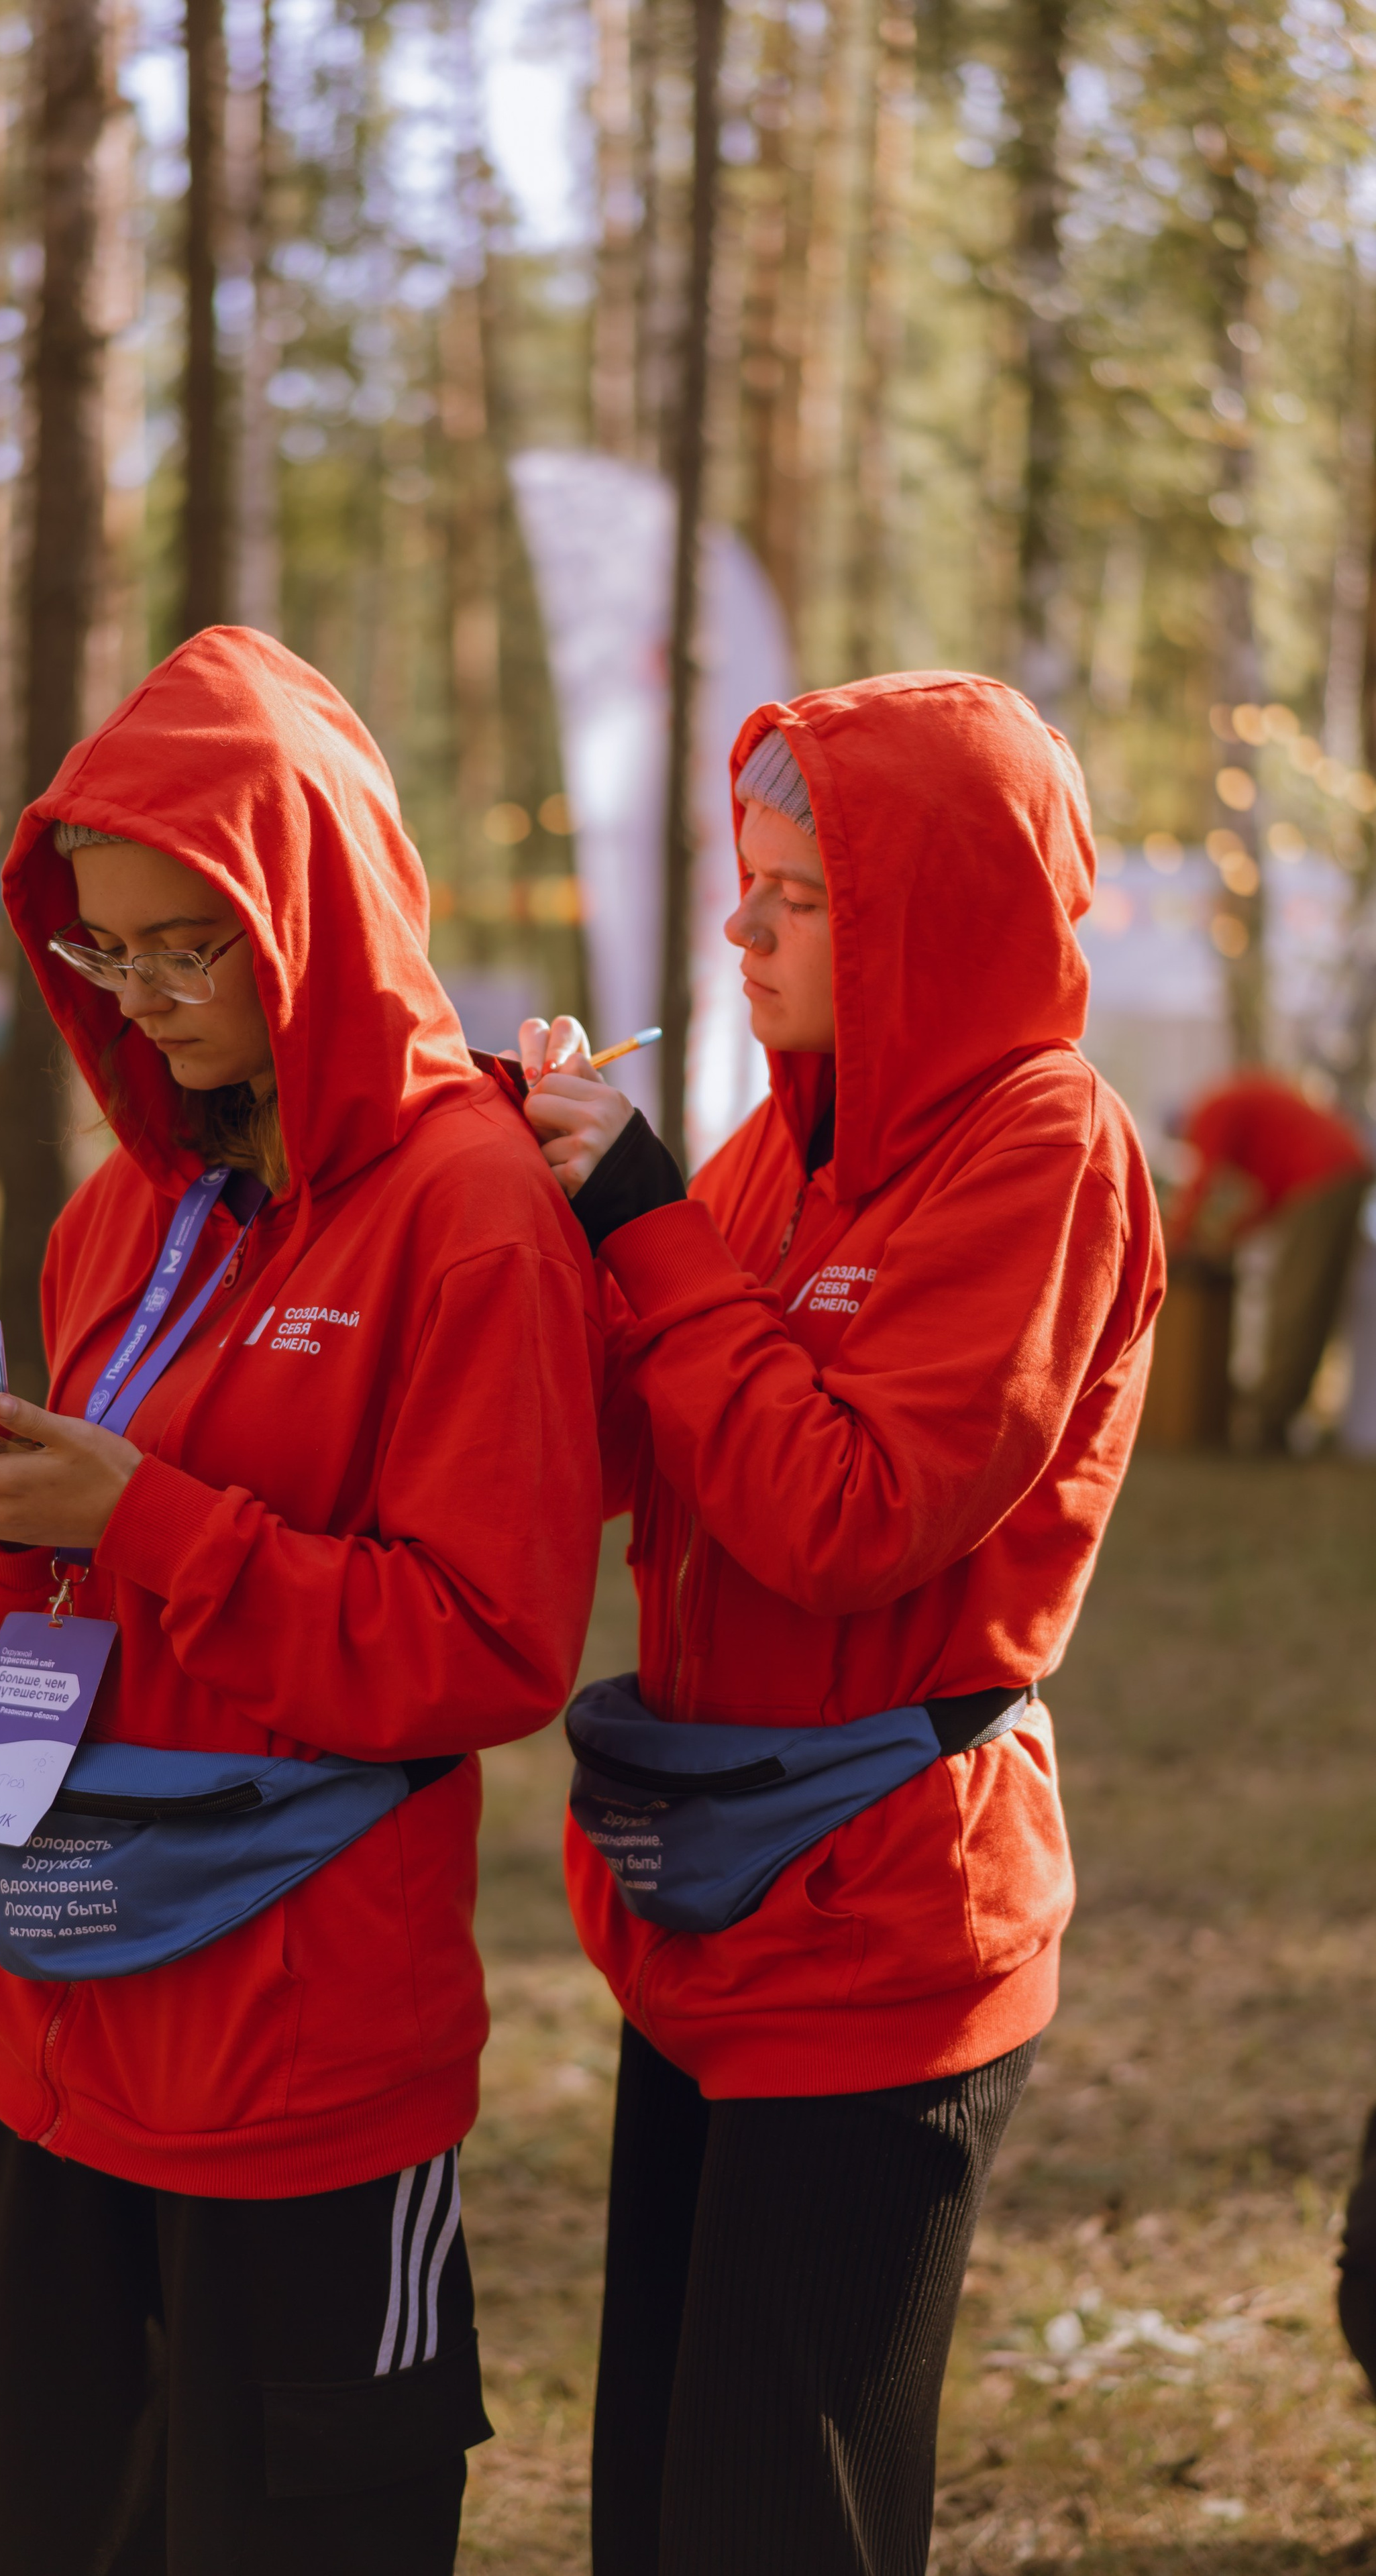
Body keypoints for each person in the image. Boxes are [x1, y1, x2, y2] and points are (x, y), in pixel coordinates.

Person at [0, 627, 602, 2575]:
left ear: (309, 911)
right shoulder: (123, 1198)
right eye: (103, 949)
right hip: (49, 2011)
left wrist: (147, 1521)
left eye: (187, 947)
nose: (144, 998)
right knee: (42, 2524)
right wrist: (13, 1510)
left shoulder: (469, 1213)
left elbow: (489, 1648)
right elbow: (69, 1626)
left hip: (301, 2057)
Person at [518, 673, 1165, 2576]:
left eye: (796, 896)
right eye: (746, 883)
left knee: (776, 2515)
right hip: (715, 1902)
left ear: (928, 916)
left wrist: (644, 1225)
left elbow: (843, 1519)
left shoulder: (1048, 1150)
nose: (743, 930)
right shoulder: (773, 1152)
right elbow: (642, 1457)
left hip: (888, 1924)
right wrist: (537, 1221)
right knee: (660, 2494)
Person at [1164, 1069, 1372, 1451]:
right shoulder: (1238, 1104)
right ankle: (1277, 1418)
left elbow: (1203, 1182)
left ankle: (1269, 1424)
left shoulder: (1210, 1111)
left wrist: (1173, 1245)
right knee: (1310, 1304)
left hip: (1325, 1177)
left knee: (1297, 1305)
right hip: (1343, 1170)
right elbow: (1265, 1198)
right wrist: (1228, 1240)